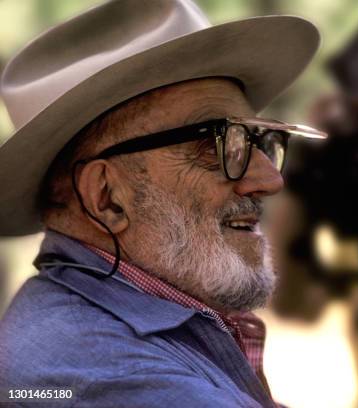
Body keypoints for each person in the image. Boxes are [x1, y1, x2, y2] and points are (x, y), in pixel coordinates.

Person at [0, 0, 325, 406]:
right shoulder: (121, 380)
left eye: (259, 142)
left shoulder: (81, 319)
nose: (269, 180)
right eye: (218, 143)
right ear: (107, 197)